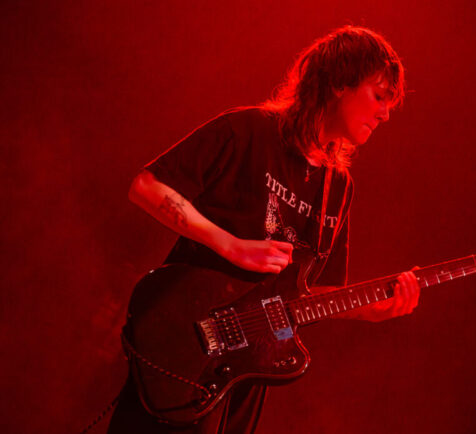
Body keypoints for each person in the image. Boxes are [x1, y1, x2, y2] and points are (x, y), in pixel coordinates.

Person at [107, 25, 421, 434]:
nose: (385, 113)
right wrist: (230, 245)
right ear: (340, 83)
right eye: (379, 96)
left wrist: (373, 310)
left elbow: (313, 293)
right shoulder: (248, 131)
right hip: (183, 340)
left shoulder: (339, 187)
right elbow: (147, 186)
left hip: (243, 371)